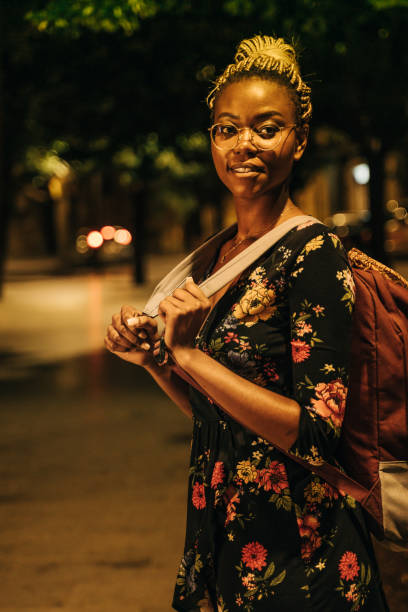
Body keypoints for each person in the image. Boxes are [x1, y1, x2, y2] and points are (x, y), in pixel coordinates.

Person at [104, 35, 389, 611]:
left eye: (267, 126)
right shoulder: (222, 254)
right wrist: (159, 362)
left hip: (302, 561)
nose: (243, 144)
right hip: (225, 539)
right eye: (227, 128)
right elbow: (220, 418)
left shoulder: (313, 254)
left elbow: (316, 435)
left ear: (300, 141)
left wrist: (189, 356)